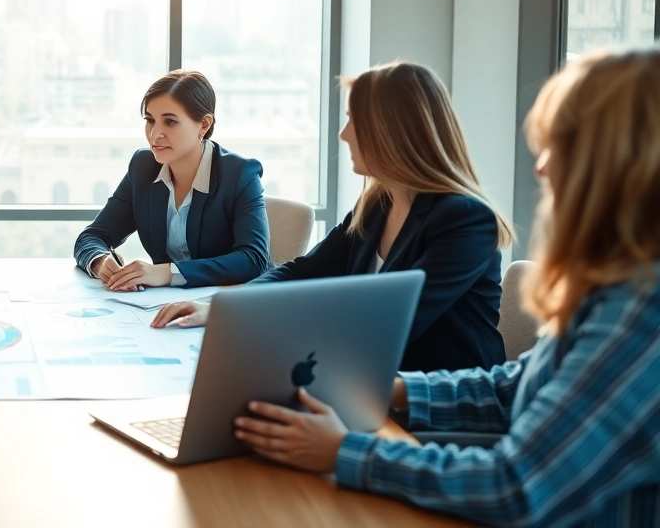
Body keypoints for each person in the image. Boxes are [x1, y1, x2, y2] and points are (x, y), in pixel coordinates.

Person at [227, 47, 660, 527]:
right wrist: (388, 389)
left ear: (624, 162)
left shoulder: (640, 315)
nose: (540, 168)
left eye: (561, 145)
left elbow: (514, 487)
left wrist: (344, 451)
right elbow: (510, 389)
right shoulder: (615, 290)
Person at [154, 61, 512, 373]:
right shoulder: (378, 205)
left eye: (354, 121)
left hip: (438, 410)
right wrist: (222, 308)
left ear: (393, 132)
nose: (343, 135)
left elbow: (387, 325)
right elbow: (305, 270)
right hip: (366, 385)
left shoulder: (464, 220)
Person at [74, 70, 271, 290]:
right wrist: (101, 261)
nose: (155, 134)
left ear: (204, 125)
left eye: (170, 121)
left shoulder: (239, 174)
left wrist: (168, 272)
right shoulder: (143, 167)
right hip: (164, 306)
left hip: (230, 307)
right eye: (150, 120)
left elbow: (253, 259)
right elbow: (92, 236)